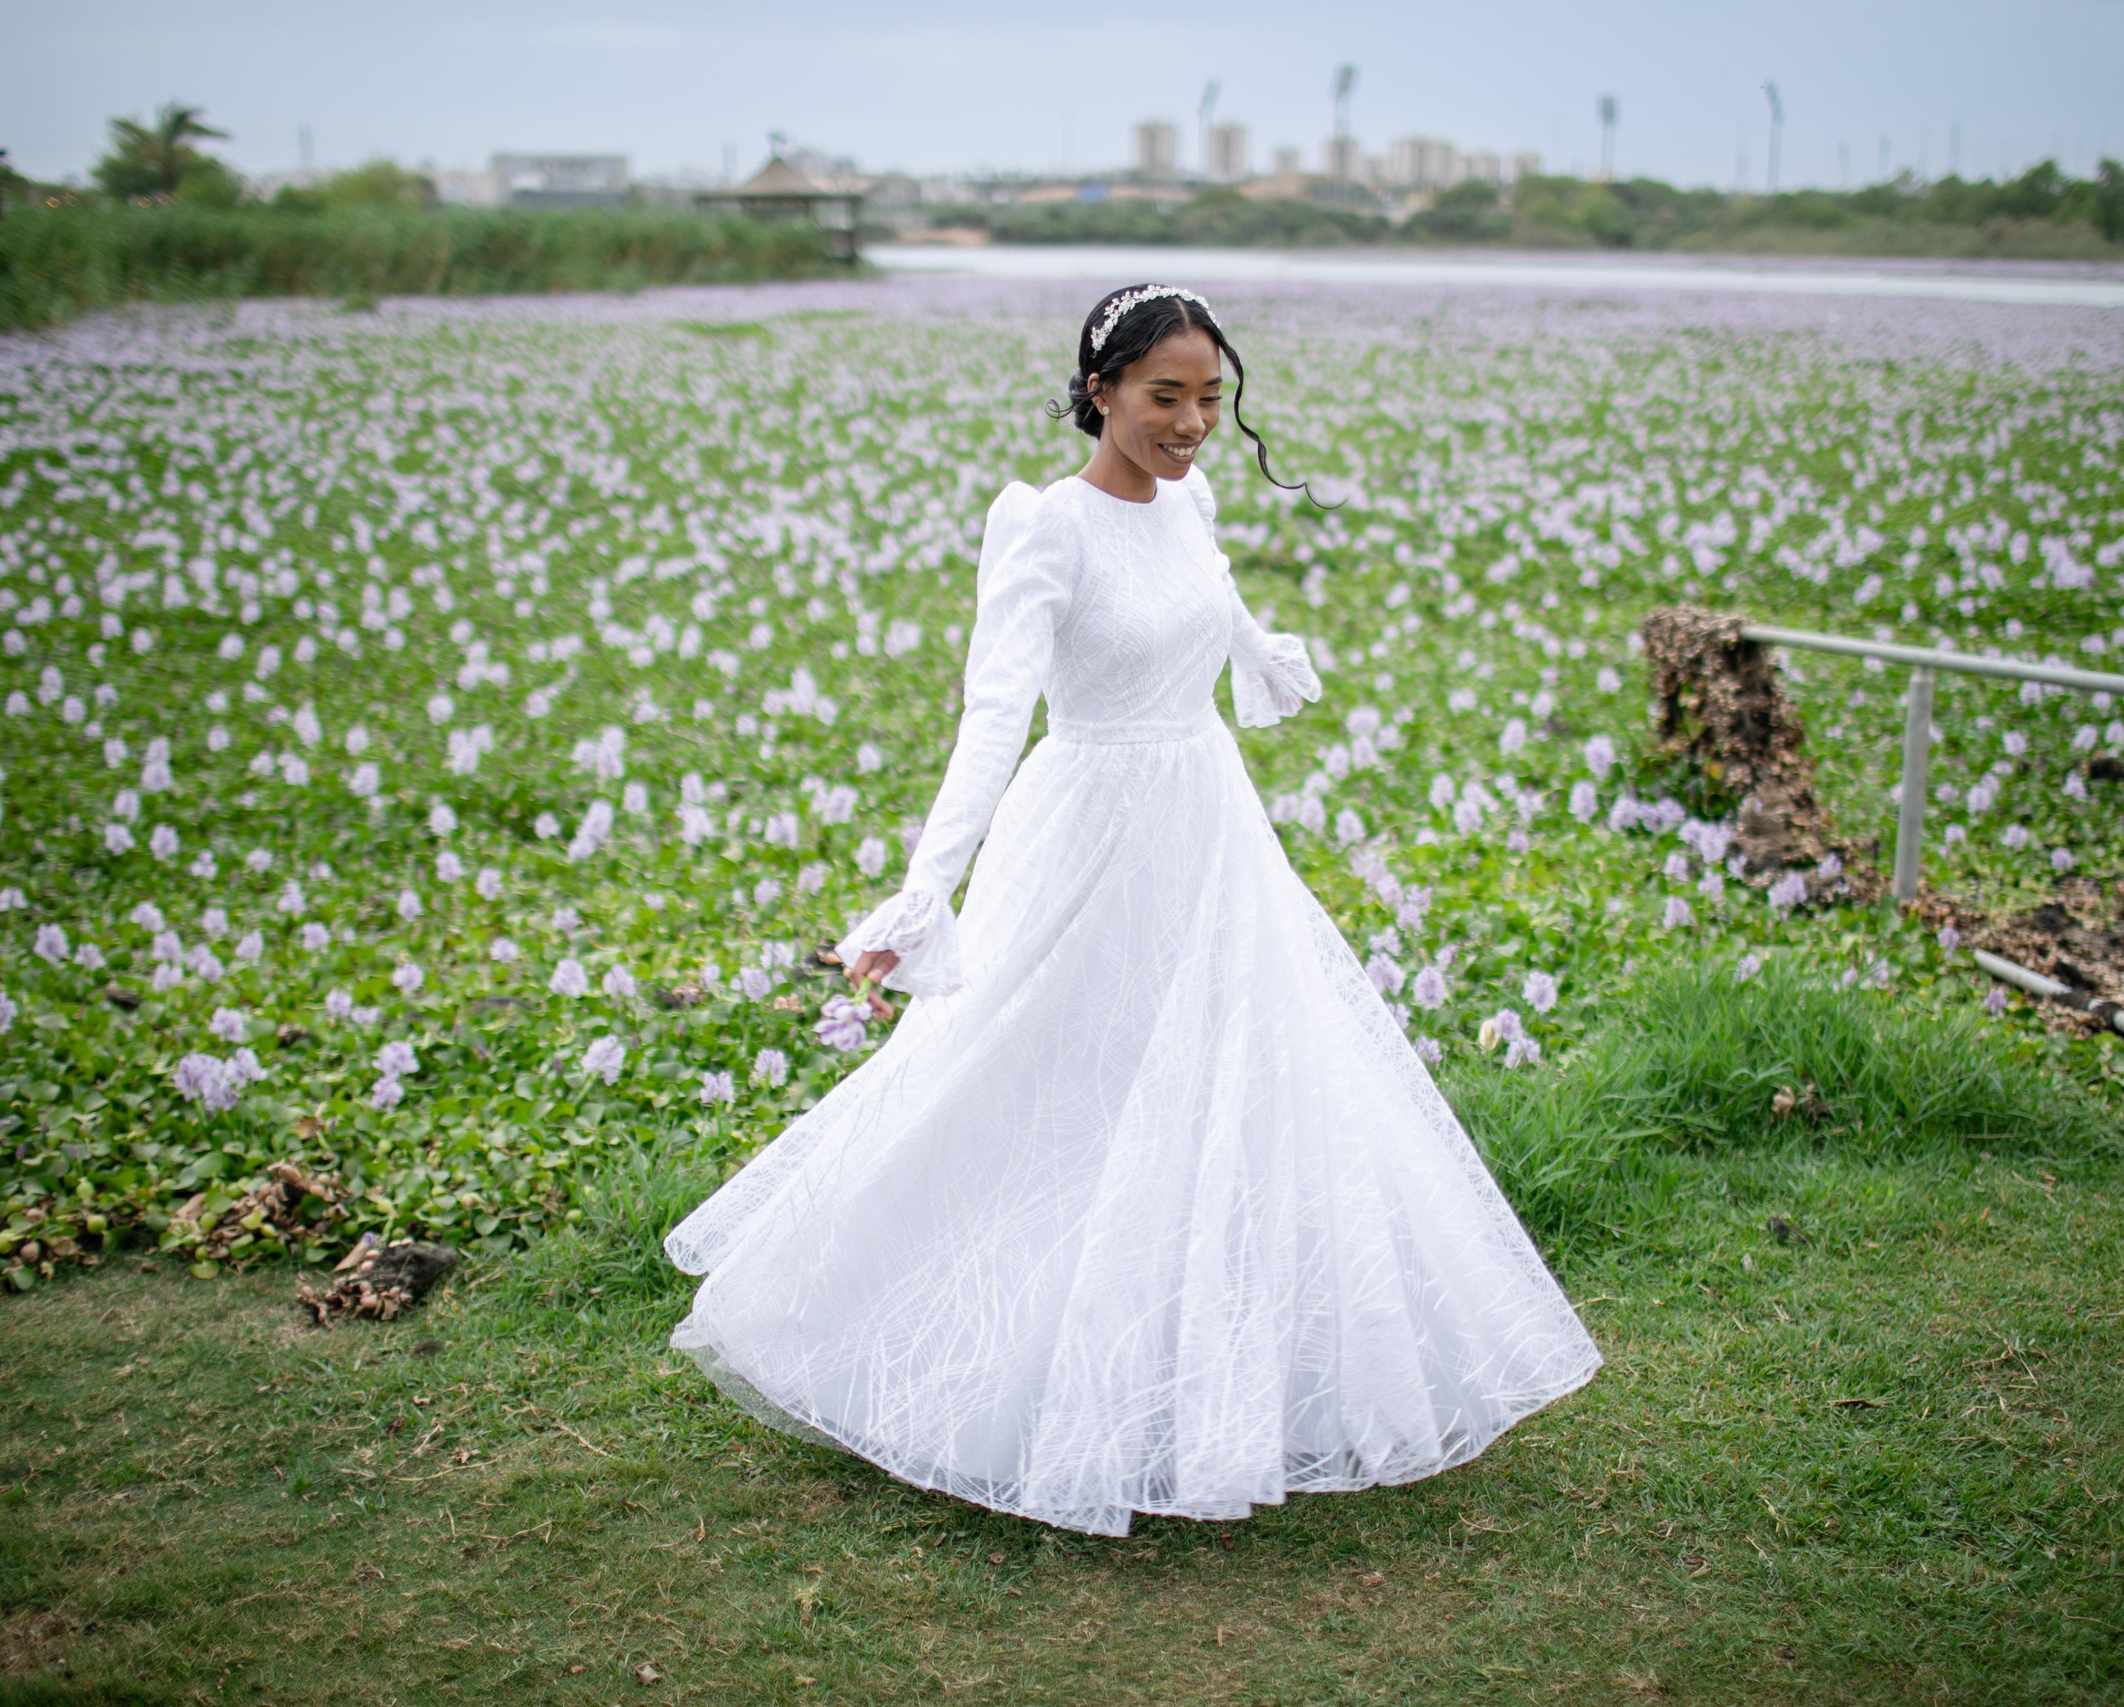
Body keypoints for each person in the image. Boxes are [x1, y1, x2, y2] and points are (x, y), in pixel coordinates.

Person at [663, 284, 1600, 1537]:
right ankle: (939, 1349)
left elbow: (1206, 601)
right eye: (1166, 396)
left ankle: (1192, 1371)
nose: (1193, 423)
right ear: (1100, 390)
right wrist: (926, 890)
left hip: (1208, 824)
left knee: (1224, 1081)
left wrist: (1257, 651)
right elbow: (994, 713)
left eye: (1211, 398)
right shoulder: (1044, 526)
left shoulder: (1190, 503)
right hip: (1088, 826)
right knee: (1038, 1074)